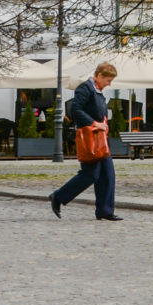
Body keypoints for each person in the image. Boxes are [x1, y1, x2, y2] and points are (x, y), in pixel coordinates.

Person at [50, 61, 121, 221]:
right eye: (108, 80)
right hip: (90, 140)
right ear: (100, 75)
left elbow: (96, 111)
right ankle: (58, 196)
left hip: (100, 140)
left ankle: (105, 210)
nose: (109, 84)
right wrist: (95, 123)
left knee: (108, 175)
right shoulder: (85, 88)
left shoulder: (97, 91)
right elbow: (76, 110)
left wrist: (104, 122)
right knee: (90, 175)